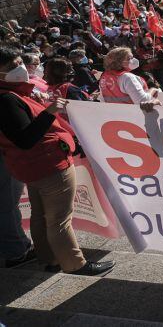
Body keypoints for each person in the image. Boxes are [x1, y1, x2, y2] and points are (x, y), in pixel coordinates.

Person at [0, 45, 113, 276]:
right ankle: (75, 264)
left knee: (42, 216)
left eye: (20, 62)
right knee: (60, 219)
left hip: (33, 165)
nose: (20, 68)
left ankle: (51, 258)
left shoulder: (11, 94)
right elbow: (25, 138)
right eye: (12, 66)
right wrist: (49, 112)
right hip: (47, 164)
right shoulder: (7, 100)